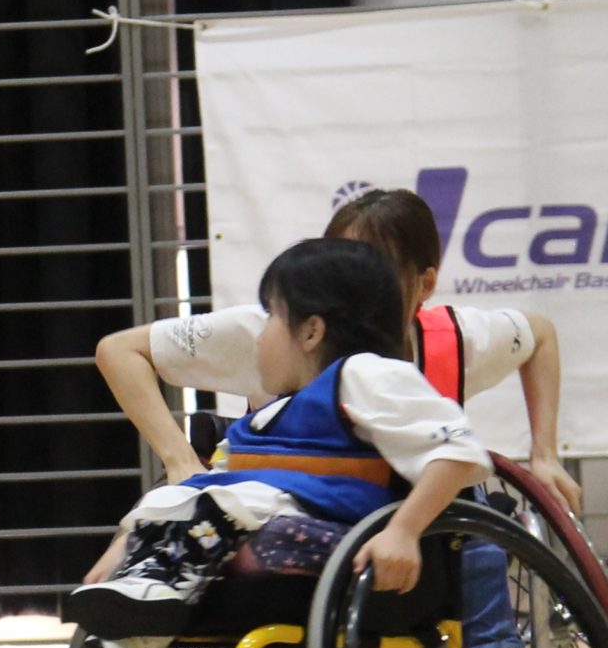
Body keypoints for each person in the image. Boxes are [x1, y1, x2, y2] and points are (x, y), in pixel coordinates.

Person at [68, 240, 490, 648]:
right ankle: (143, 603)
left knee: (228, 506)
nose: (259, 334)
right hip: (260, 522)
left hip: (337, 538)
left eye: (270, 316)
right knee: (173, 497)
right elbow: (209, 483)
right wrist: (132, 538)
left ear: (310, 332)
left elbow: (456, 452)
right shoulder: (270, 413)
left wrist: (403, 531)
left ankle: (156, 595)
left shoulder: (368, 373)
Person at [94, 185, 572, 509]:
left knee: (475, 526)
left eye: (374, 269)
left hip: (410, 530)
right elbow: (119, 351)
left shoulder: (458, 339)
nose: (352, 283)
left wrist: (545, 454)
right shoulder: (271, 331)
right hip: (290, 520)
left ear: (425, 285)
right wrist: (179, 460)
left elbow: (540, 334)